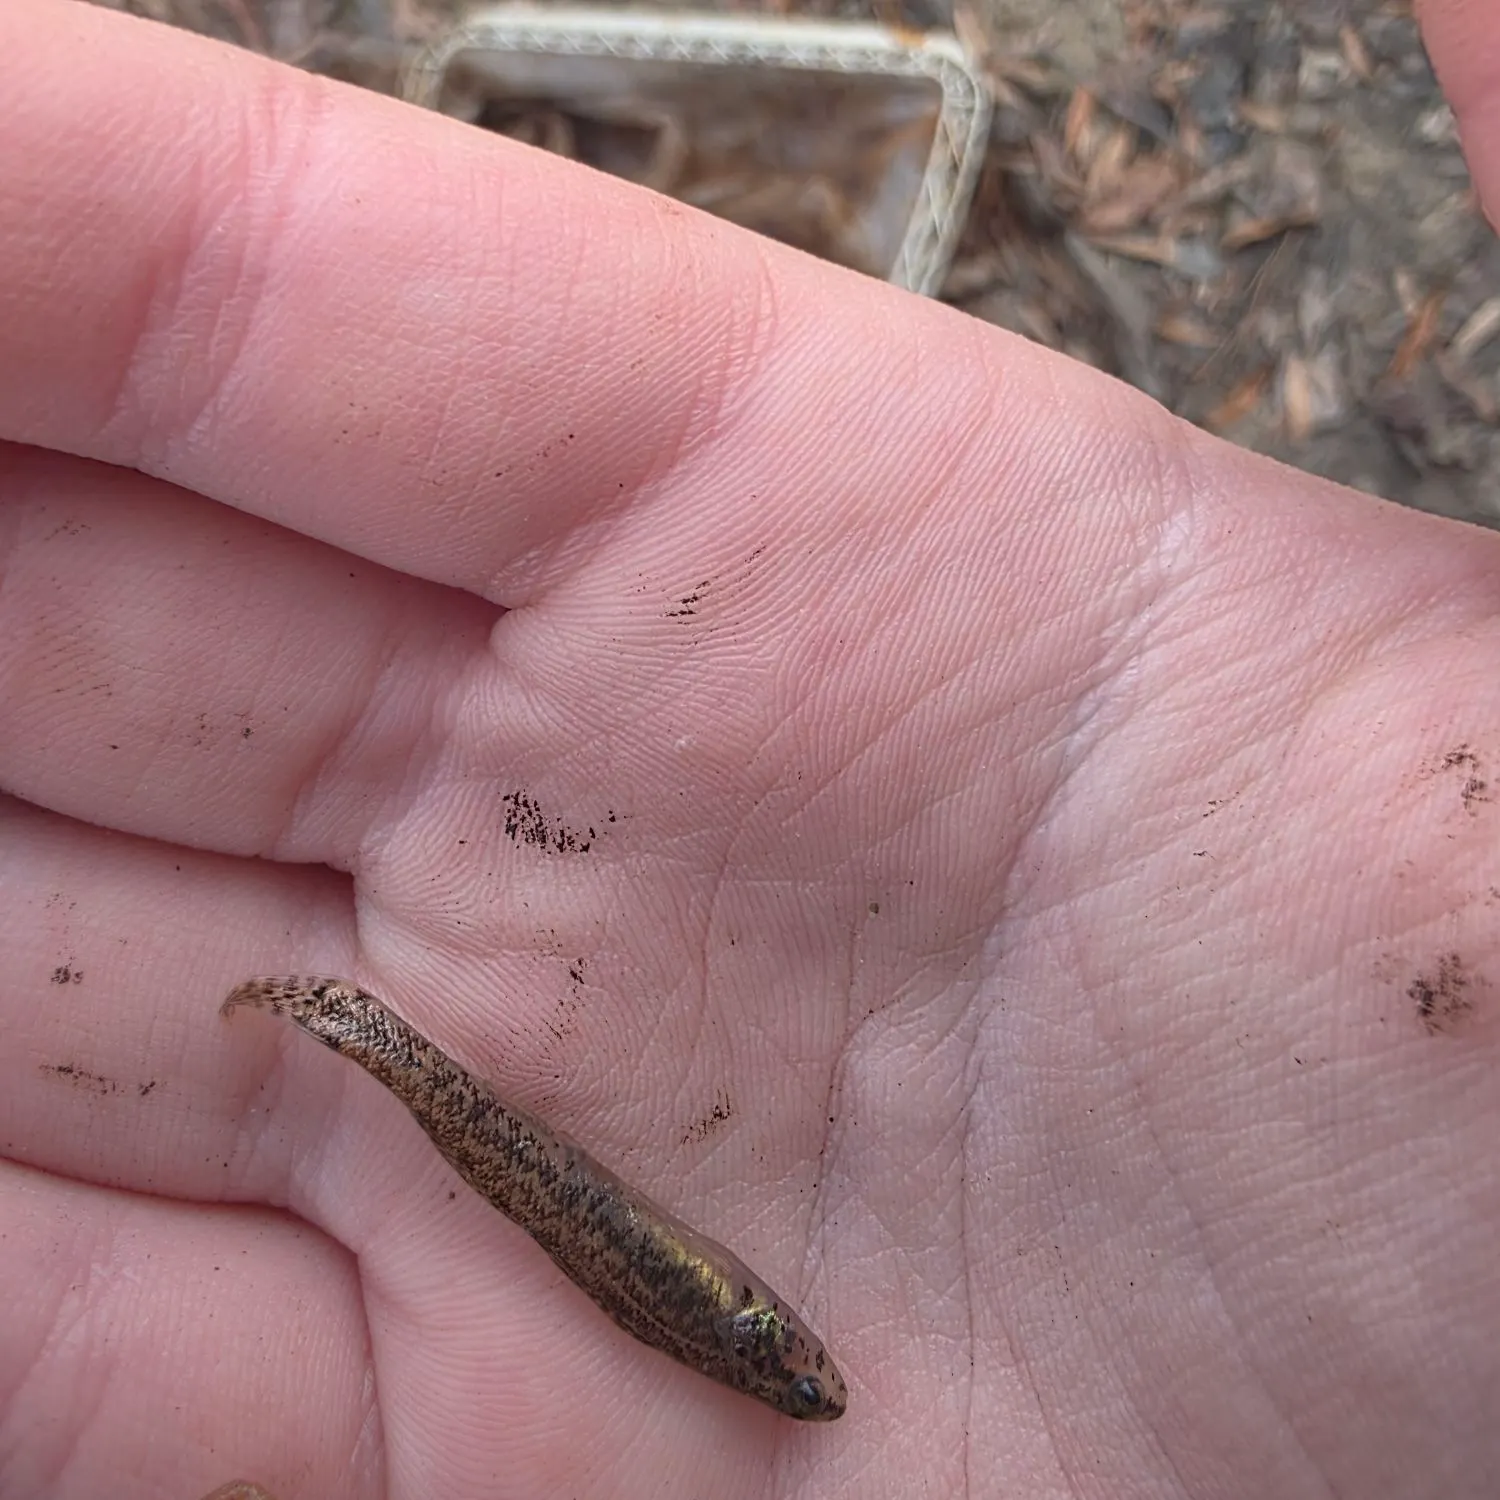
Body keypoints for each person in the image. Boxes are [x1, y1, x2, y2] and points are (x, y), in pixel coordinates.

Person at [2, 0, 1496, 1494]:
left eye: (797, 1374)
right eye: (799, 1373)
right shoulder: (740, 1334)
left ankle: (349, 1030)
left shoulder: (731, 1337)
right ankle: (347, 1028)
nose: (806, 1369)